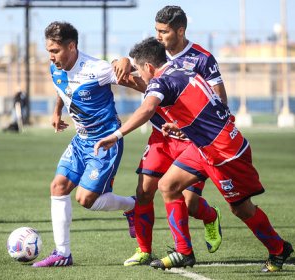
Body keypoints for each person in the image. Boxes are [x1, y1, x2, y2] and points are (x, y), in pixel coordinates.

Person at [94, 37, 293, 272]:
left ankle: (279, 249)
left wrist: (116, 135)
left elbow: (147, 109)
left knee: (241, 208)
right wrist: (183, 126)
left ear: (148, 67)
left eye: (139, 69)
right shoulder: (184, 69)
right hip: (204, 146)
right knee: (167, 186)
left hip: (224, 153)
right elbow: (206, 105)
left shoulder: (160, 81)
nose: (139, 75)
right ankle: (184, 252)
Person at [112, 5, 225, 266]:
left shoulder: (202, 59)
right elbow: (146, 83)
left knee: (189, 202)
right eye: (157, 31)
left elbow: (219, 100)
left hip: (191, 140)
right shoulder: (154, 54)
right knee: (144, 191)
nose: (159, 36)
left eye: (164, 31)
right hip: (160, 137)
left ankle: (209, 217)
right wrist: (124, 61)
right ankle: (144, 250)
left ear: (180, 31)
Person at [32, 21, 145, 268]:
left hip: (104, 143)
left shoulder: (97, 69)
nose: (51, 57)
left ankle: (132, 206)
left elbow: (136, 81)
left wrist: (126, 61)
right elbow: (62, 89)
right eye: (48, 50)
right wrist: (56, 111)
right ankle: (62, 253)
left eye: (55, 51)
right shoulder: (55, 67)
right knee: (58, 186)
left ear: (71, 46)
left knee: (86, 200)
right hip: (80, 140)